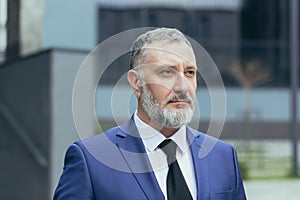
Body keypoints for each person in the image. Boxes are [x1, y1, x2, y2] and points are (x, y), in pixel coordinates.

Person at [54, 27, 246, 200]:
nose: (183, 86)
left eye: (189, 73)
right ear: (137, 83)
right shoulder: (90, 160)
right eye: (167, 73)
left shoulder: (223, 156)